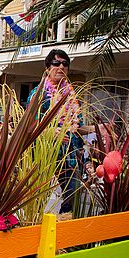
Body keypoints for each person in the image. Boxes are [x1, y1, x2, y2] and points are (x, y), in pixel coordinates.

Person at [28, 49, 94, 213]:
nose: (61, 67)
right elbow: (28, 127)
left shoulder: (71, 95)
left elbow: (76, 128)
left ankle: (62, 228)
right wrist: (49, 132)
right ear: (47, 68)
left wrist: (96, 128)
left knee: (74, 195)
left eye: (65, 64)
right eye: (56, 63)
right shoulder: (38, 94)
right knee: (37, 200)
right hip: (45, 156)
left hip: (70, 156)